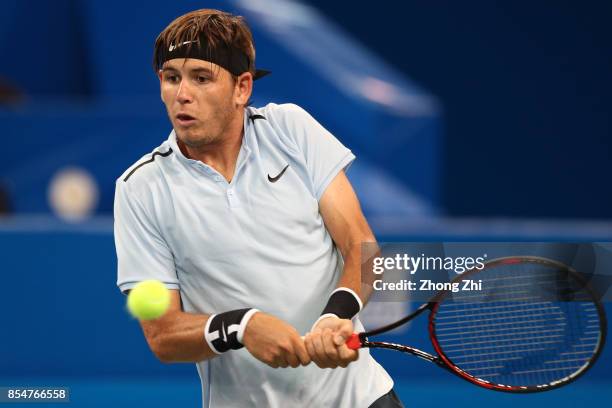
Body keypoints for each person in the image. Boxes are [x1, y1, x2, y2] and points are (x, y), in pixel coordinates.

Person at [114, 8, 402, 408]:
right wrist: (240, 326)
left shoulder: (291, 130)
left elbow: (362, 247)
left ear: (242, 88)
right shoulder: (140, 189)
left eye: (201, 78)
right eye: (171, 77)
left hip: (362, 399)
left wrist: (337, 313)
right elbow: (162, 336)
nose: (182, 94)